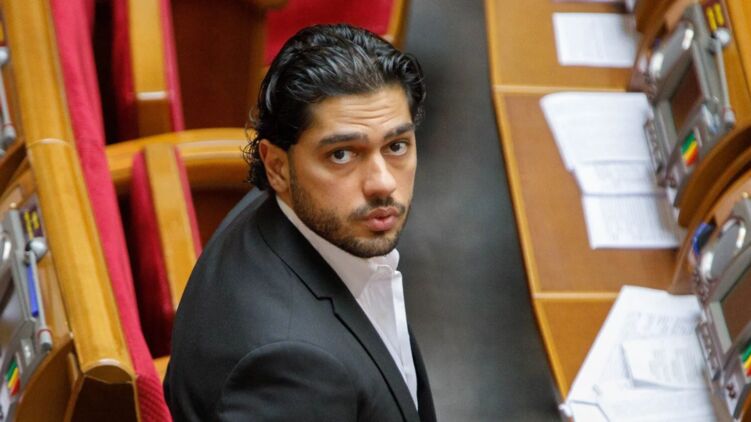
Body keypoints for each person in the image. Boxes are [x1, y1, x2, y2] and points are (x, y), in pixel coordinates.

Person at [164, 24, 435, 421]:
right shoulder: (291, 369)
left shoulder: (285, 208)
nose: (383, 183)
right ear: (277, 166)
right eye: (342, 155)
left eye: (396, 146)